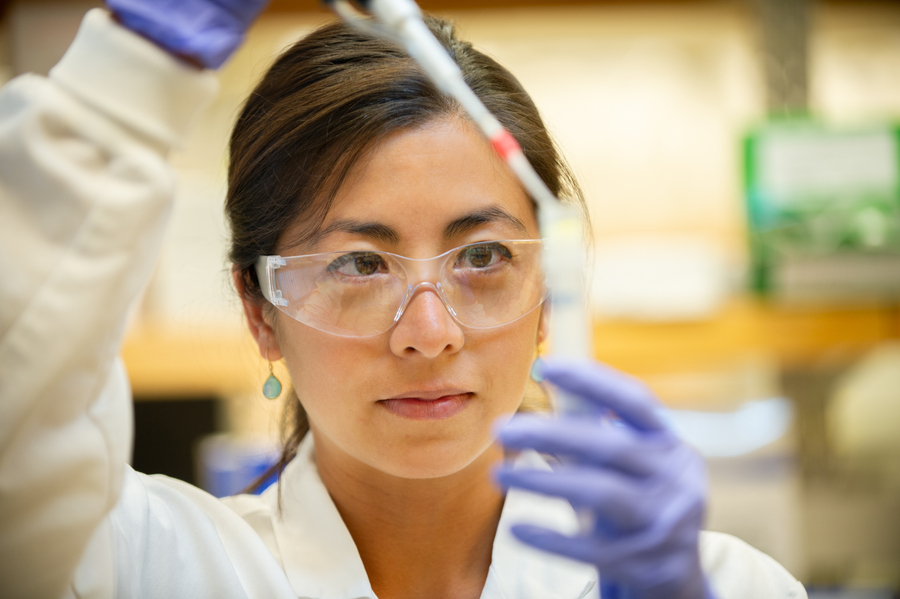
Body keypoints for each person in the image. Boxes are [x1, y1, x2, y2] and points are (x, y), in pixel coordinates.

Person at [0, 1, 807, 598]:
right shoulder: (147, 568)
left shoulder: (734, 585)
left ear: (549, 295)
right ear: (260, 312)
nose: (430, 333)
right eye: (358, 263)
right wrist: (118, 88)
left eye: (484, 255)